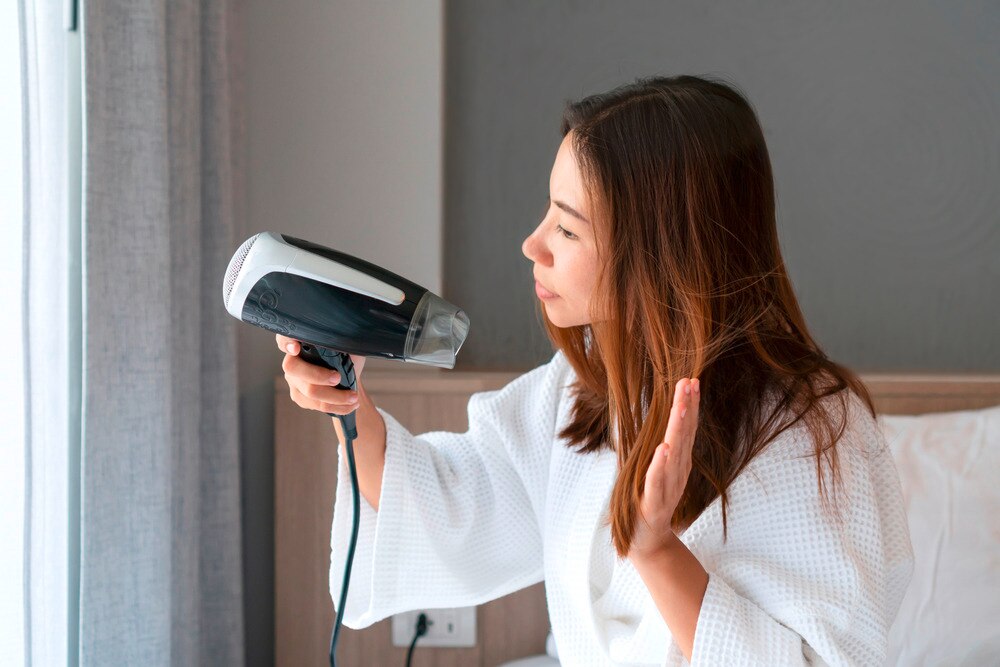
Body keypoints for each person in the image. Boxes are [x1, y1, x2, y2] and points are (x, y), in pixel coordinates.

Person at [276, 74, 914, 666]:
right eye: (548, 213)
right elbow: (450, 502)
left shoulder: (814, 431)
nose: (534, 244)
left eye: (569, 230)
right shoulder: (579, 394)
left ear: (659, 254)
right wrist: (348, 400)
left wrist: (656, 550)